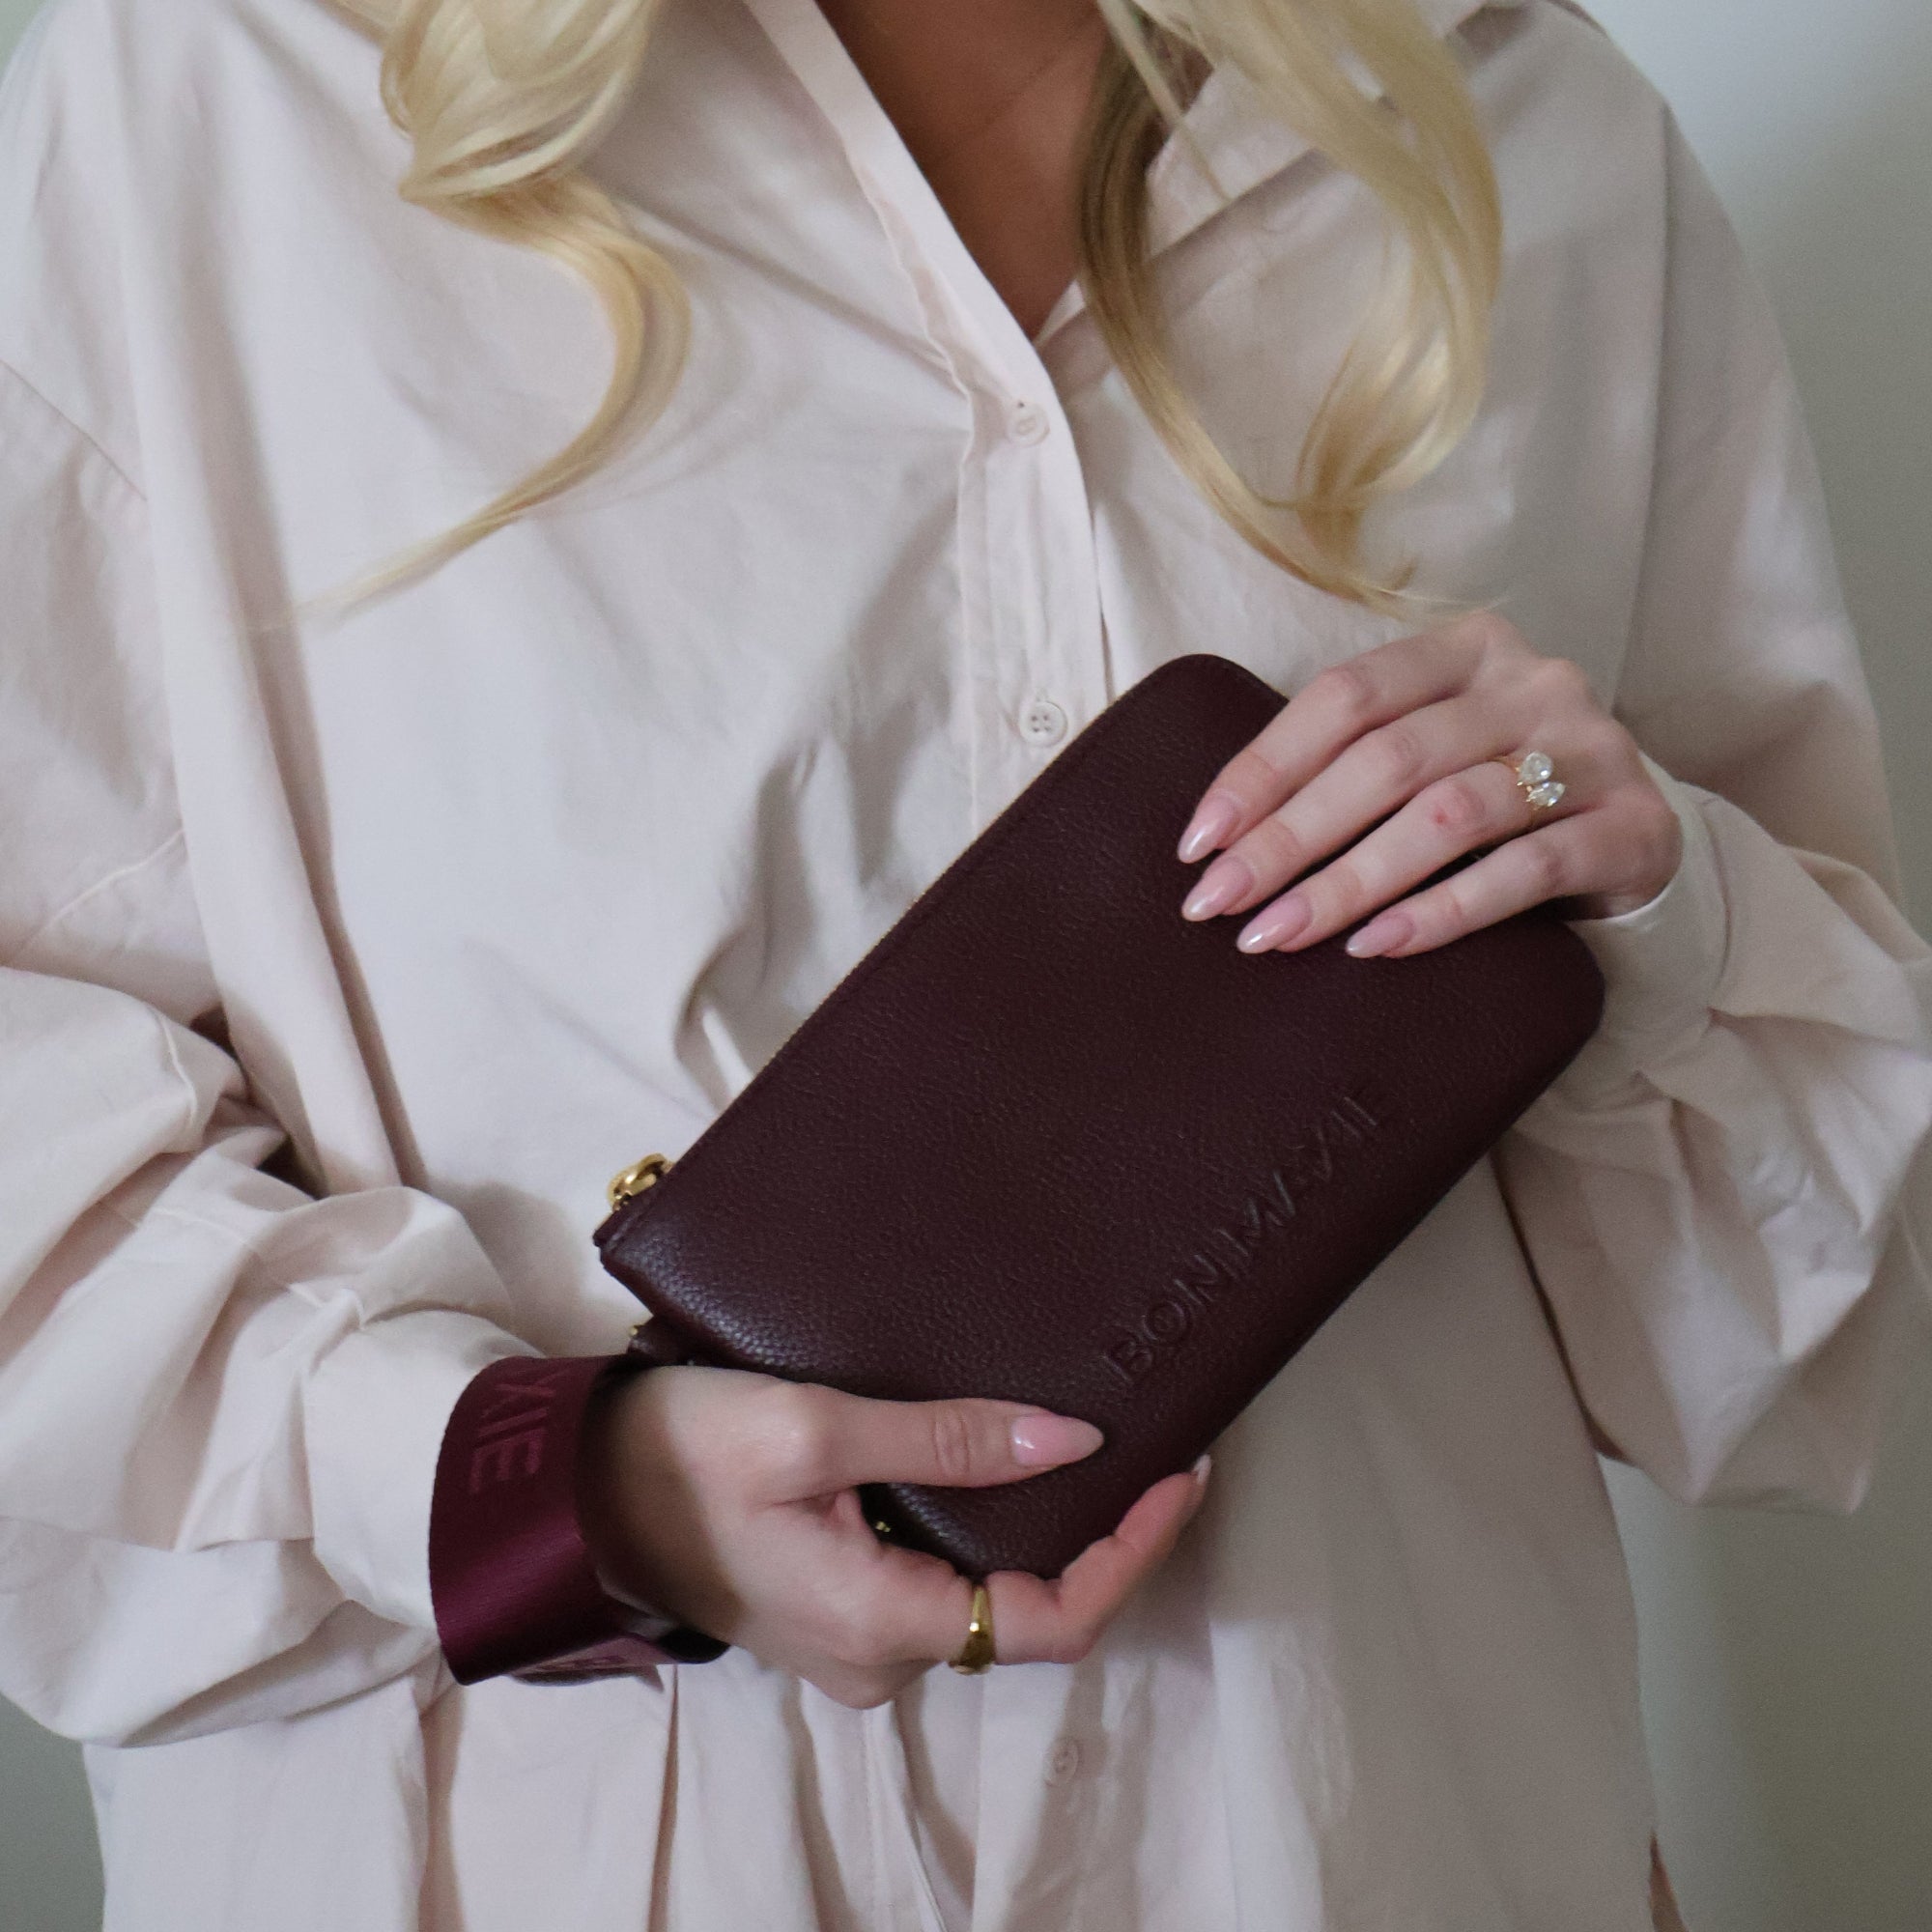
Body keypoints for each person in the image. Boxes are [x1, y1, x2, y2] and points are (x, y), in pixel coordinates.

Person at [0, 0, 1926, 1925]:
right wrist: (542, 1483)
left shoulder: (1500, 107)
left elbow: (1778, 1329)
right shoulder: (228, 88)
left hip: (1386, 1836)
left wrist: (1650, 900)